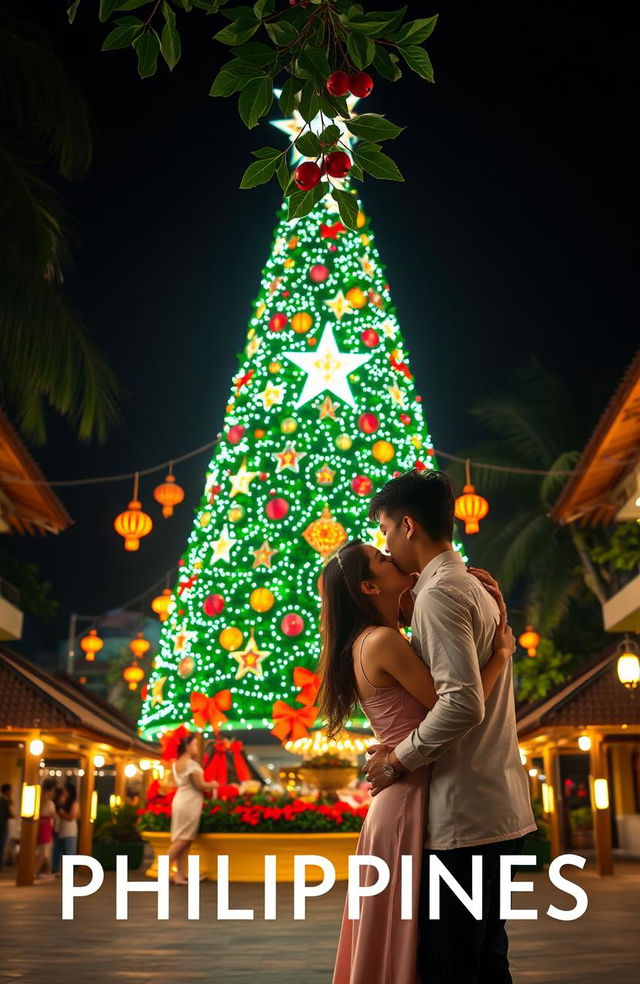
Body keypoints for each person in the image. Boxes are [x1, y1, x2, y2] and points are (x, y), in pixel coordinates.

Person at [365, 469, 536, 984]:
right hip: (499, 805)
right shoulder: (470, 587)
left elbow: (461, 704)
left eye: (387, 532)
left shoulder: (443, 595)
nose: (388, 546)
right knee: (488, 961)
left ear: (409, 526)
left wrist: (398, 760)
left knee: (453, 966)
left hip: (463, 819)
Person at [320, 537, 515, 984]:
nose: (392, 558)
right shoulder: (384, 641)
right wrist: (500, 655)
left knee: (408, 935)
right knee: (424, 942)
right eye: (380, 560)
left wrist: (489, 601)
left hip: (403, 794)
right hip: (407, 796)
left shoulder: (377, 639)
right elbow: (456, 708)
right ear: (369, 588)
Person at [168, 732, 217, 885]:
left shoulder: (175, 764)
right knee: (183, 839)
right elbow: (200, 785)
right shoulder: (192, 764)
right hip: (189, 802)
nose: (197, 747)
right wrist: (213, 784)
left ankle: (180, 876)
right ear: (187, 746)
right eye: (195, 744)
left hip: (180, 800)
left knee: (184, 839)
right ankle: (165, 870)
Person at [52, 781, 80, 877]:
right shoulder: (61, 801)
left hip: (70, 831)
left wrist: (61, 811)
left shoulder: (74, 803)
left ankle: (67, 873)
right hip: (60, 829)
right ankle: (56, 871)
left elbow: (71, 817)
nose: (63, 792)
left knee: (69, 852)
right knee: (57, 852)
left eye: (65, 790)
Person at [35, 779, 57, 879]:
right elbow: (51, 814)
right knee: (44, 851)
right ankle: (34, 872)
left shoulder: (40, 797)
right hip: (45, 825)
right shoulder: (46, 800)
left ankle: (44, 870)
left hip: (43, 824)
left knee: (43, 850)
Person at [0, 782, 15, 873]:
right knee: (1, 847)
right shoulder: (8, 801)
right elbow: (12, 814)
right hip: (3, 826)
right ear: (8, 791)